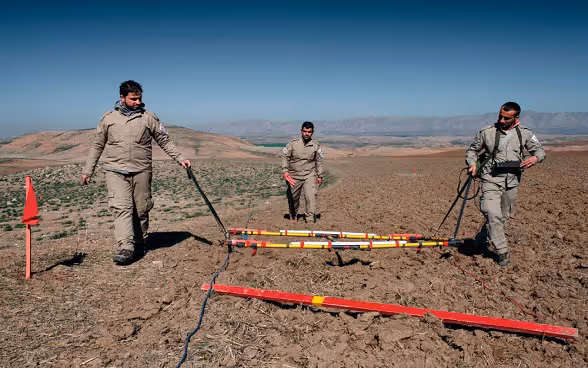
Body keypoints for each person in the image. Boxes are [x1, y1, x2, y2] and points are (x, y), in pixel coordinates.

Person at [81, 80, 191, 265]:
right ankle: (126, 247)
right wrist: (88, 170)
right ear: (122, 98)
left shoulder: (149, 118)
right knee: (122, 208)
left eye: (139, 98)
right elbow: (97, 145)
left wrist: (180, 158)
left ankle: (140, 241)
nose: (138, 102)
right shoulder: (109, 119)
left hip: (141, 170)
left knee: (141, 209)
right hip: (115, 171)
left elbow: (164, 140)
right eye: (133, 99)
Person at [466, 102, 545, 266]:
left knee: (502, 217)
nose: (502, 120)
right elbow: (472, 151)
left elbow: (539, 151)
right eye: (500, 116)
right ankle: (502, 251)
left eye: (507, 118)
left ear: (516, 118)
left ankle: (482, 239)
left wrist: (535, 158)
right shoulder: (486, 133)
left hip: (512, 181)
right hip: (491, 179)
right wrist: (472, 163)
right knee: (491, 212)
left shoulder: (525, 134)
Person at [281, 121, 324, 223]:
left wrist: (320, 175)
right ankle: (293, 214)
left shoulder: (315, 146)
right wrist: (285, 171)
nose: (306, 133)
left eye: (309, 132)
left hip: (310, 174)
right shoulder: (293, 144)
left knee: (311, 196)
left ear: (312, 132)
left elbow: (319, 161)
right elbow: (285, 156)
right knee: (293, 198)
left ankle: (309, 218)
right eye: (305, 131)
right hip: (294, 175)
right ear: (301, 131)